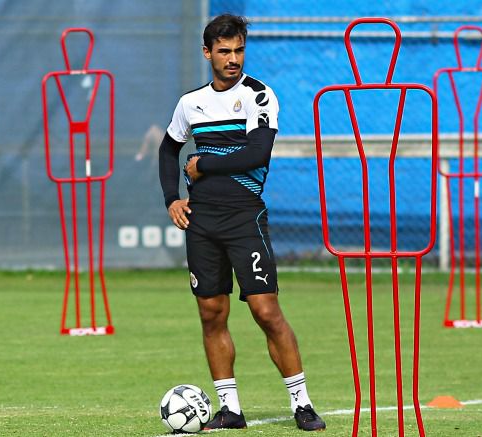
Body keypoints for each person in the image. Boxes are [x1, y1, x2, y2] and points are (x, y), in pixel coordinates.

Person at [157, 14, 326, 432]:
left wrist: (203, 165)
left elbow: (256, 154)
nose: (233, 59)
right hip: (201, 222)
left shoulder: (259, 95)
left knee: (266, 311)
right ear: (208, 52)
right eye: (224, 51)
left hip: (243, 217)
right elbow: (167, 151)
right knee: (212, 314)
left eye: (239, 50)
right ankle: (230, 409)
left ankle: (301, 403)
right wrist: (171, 198)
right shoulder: (190, 103)